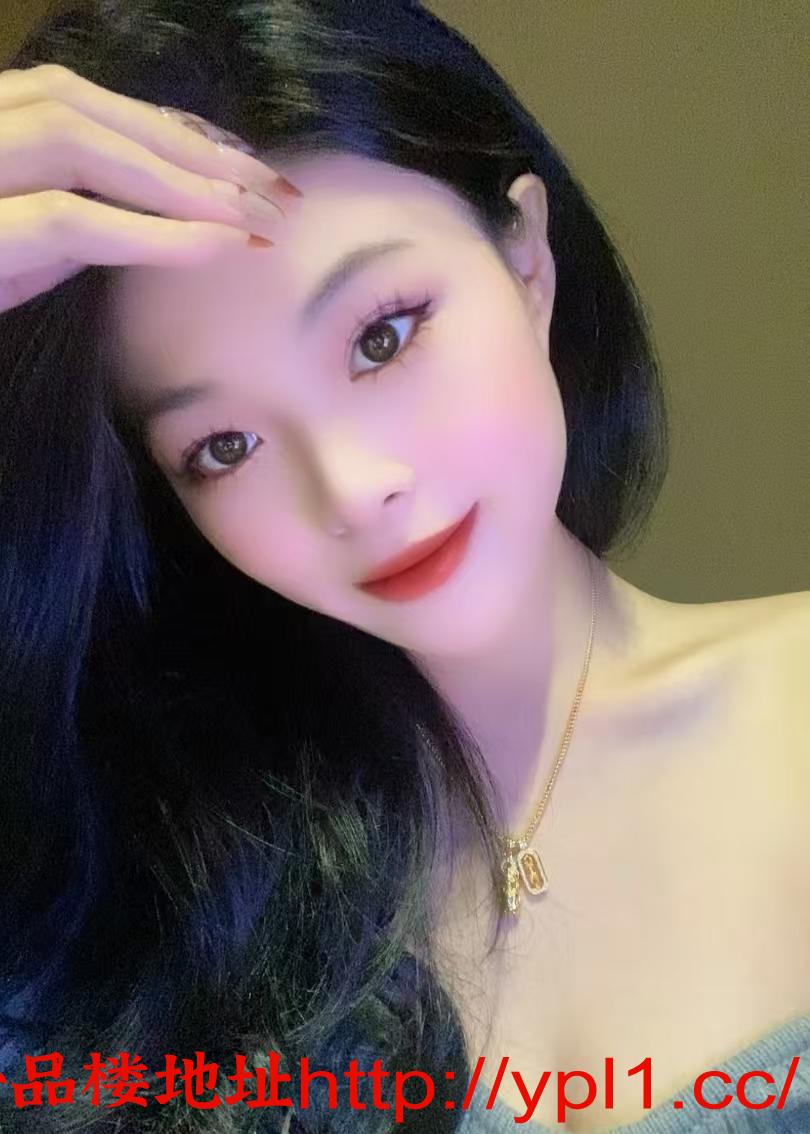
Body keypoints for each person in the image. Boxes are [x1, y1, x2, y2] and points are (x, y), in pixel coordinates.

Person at [0, 2, 807, 1132]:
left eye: (382, 336)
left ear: (526, 259)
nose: (349, 487)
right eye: (223, 447)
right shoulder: (149, 884)